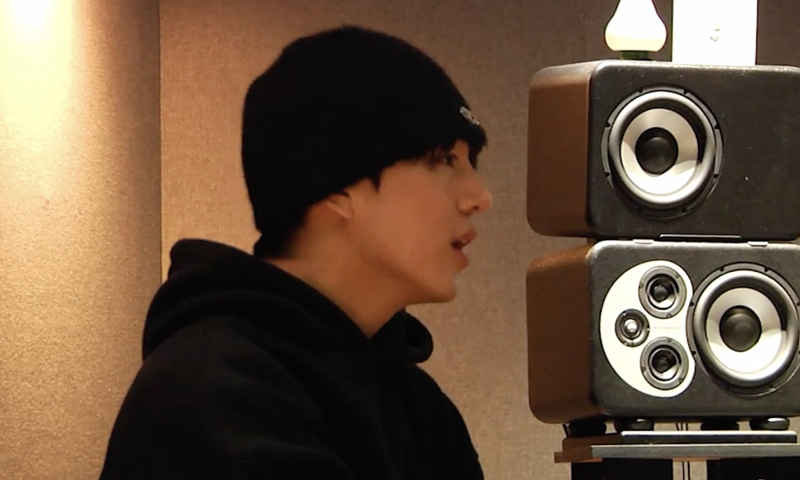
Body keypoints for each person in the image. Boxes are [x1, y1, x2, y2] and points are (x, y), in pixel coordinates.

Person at [99, 24, 493, 480]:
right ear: (337, 185)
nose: (480, 196)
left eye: (471, 163)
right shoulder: (211, 394)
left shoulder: (419, 407)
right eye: (444, 159)